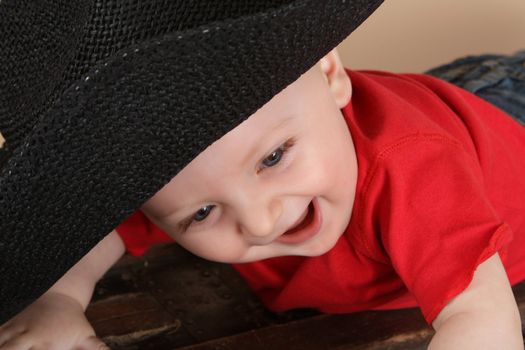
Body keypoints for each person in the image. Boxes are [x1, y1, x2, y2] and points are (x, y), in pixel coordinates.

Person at [2, 45, 525, 349]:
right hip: (437, 98)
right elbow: (105, 225)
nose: (260, 220)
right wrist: (58, 299)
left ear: (329, 73)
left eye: (273, 158)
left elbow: (483, 316)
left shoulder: (415, 167)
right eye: (202, 213)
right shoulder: (178, 176)